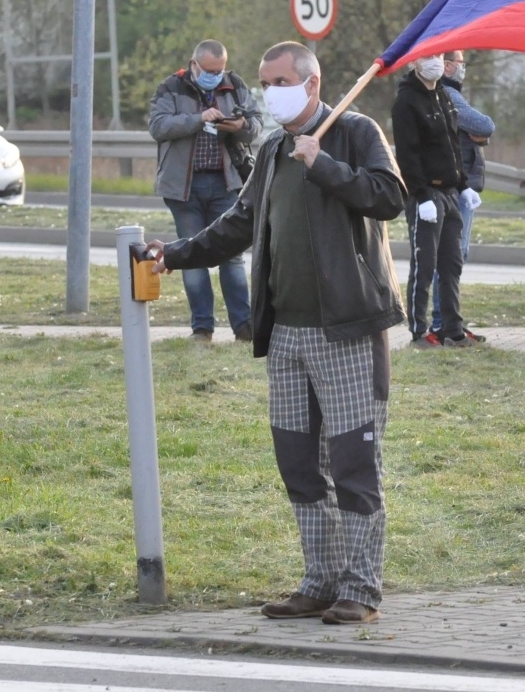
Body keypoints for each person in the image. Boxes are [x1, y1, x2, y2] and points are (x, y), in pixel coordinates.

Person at [146, 41, 404, 625]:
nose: (268, 92)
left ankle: (360, 589)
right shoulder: (271, 150)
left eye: (279, 80)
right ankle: (320, 579)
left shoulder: (356, 132)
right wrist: (177, 253)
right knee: (299, 464)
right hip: (285, 333)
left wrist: (325, 165)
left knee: (353, 465)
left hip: (347, 331)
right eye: (264, 82)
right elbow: (238, 224)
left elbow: (389, 198)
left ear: (311, 85)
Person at [147, 40, 262, 342]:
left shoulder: (234, 85)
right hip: (184, 187)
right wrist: (198, 120)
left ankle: (244, 327)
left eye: (219, 70)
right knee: (190, 254)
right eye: (209, 70)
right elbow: (158, 127)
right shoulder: (171, 87)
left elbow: (256, 124)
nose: (215, 75)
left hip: (227, 183)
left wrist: (238, 125)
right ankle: (202, 328)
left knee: (232, 255)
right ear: (194, 64)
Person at [391, 55, 471, 347]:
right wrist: (420, 193)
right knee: (424, 265)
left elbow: (453, 145)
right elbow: (408, 154)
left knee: (452, 264)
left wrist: (463, 185)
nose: (435, 62)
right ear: (414, 63)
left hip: (450, 193)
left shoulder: (443, 97)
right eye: (427, 57)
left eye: (438, 56)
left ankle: (453, 328)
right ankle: (419, 332)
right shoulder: (406, 103)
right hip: (427, 196)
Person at [430, 51, 493, 339]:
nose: (463, 68)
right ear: (447, 66)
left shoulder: (449, 94)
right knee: (453, 255)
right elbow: (484, 126)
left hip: (460, 184)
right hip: (457, 186)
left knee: (453, 255)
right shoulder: (449, 95)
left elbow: (480, 133)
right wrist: (476, 132)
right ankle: (443, 321)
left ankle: (447, 320)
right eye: (460, 62)